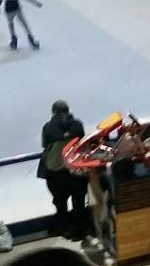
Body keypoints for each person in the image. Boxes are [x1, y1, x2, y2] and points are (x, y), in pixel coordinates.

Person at [36, 101, 88, 238]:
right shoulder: (78, 125)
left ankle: (63, 228)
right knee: (79, 201)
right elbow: (83, 142)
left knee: (60, 202)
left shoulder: (47, 128)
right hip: (76, 169)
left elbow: (45, 145)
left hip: (57, 171)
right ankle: (79, 230)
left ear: (53, 112)